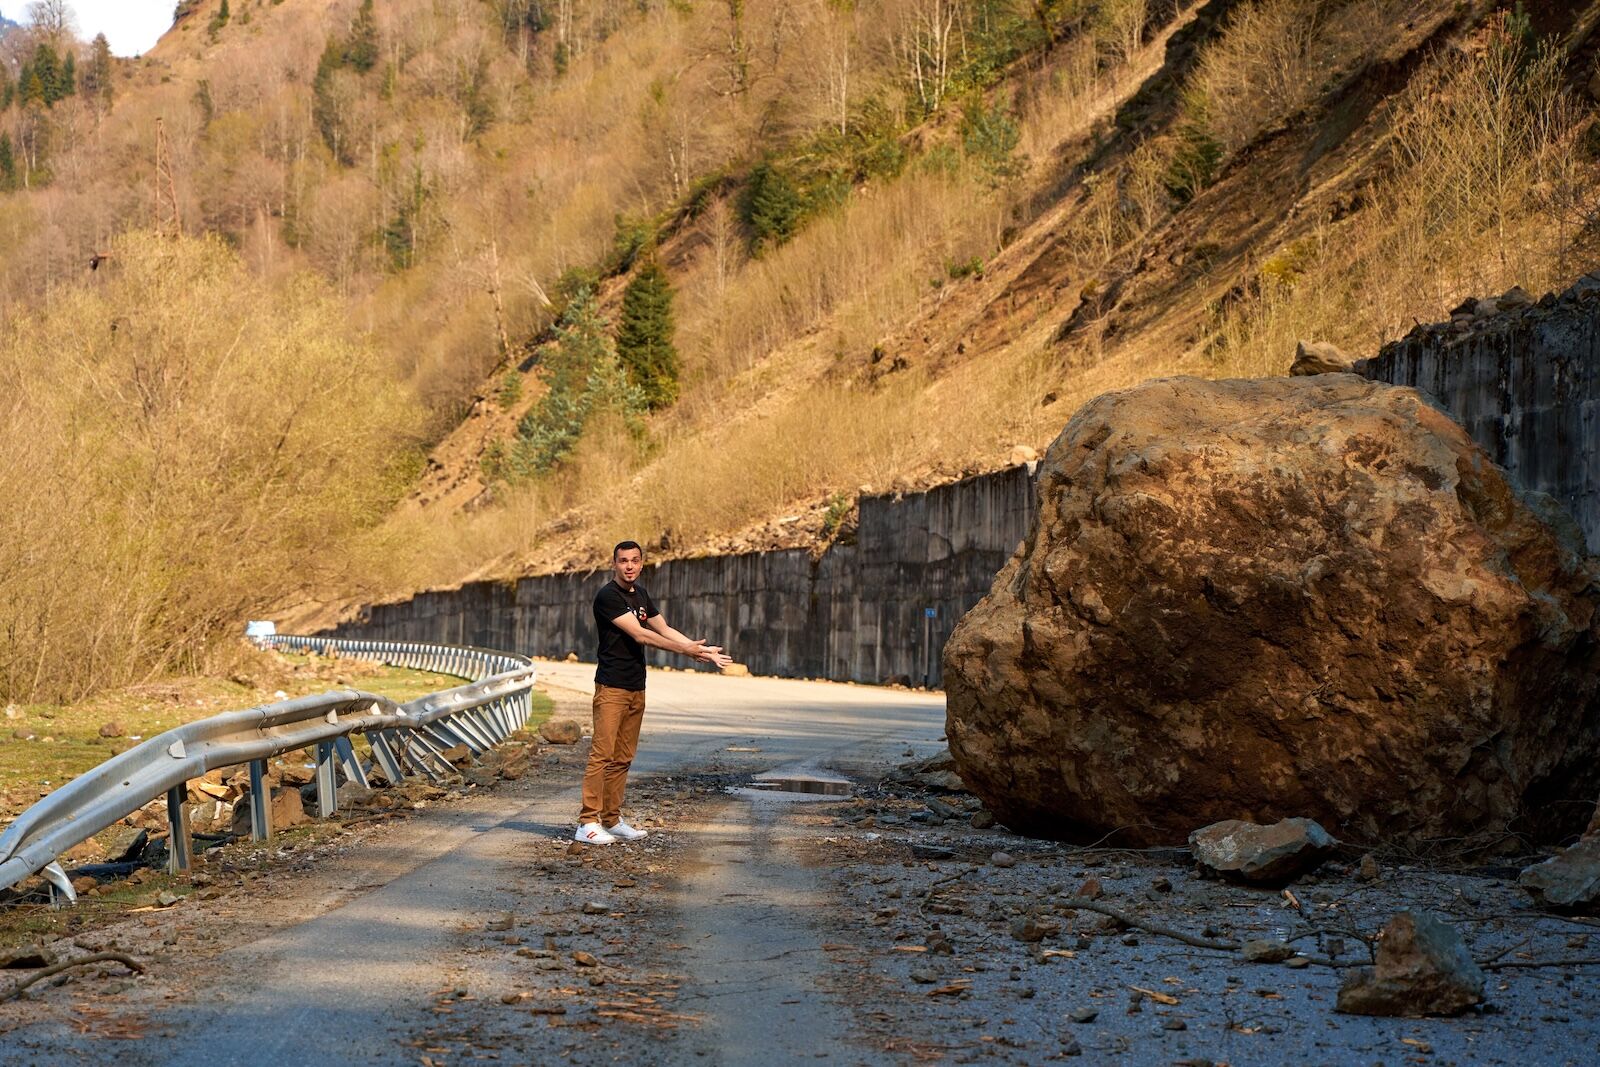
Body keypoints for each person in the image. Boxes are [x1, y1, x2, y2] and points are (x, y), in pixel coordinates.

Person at [576, 540, 732, 845]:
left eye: (635, 560)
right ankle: (587, 822)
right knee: (602, 755)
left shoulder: (642, 594)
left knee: (623, 757)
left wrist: (700, 650)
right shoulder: (608, 596)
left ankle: (611, 819)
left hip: (636, 686)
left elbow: (665, 628)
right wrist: (686, 651)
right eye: (623, 561)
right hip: (612, 687)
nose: (629, 566)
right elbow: (641, 634)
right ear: (614, 564)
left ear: (642, 563)